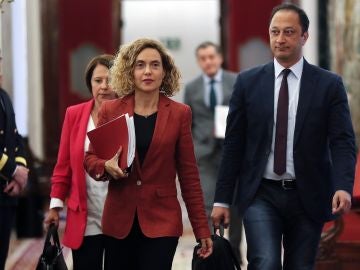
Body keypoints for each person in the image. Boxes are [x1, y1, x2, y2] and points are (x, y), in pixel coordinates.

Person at [211, 3, 356, 270]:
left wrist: (342, 186)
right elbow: (234, 144)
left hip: (308, 193)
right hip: (260, 193)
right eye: (274, 32)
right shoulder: (247, 83)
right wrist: (222, 199)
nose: (280, 39)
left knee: (300, 266)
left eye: (289, 32)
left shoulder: (328, 85)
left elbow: (342, 141)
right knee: (265, 262)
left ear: (304, 36)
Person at [84, 38, 213, 270]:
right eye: (140, 65)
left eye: (155, 65)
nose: (147, 71)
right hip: (119, 220)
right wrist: (105, 167)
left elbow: (189, 175)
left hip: (162, 220)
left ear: (165, 72)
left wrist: (201, 228)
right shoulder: (110, 110)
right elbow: (90, 159)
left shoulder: (179, 113)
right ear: (130, 71)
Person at [44, 54, 117, 270]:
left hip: (119, 215)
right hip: (85, 215)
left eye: (110, 80)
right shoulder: (74, 115)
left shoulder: (128, 114)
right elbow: (63, 165)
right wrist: (55, 207)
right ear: (90, 83)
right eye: (98, 80)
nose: (104, 86)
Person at [184, 41, 243, 263]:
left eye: (211, 57)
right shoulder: (192, 88)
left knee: (235, 207)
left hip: (232, 154)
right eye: (203, 58)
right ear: (199, 62)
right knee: (208, 205)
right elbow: (188, 124)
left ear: (219, 58)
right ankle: (212, 257)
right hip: (205, 157)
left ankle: (234, 255)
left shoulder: (236, 81)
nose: (208, 61)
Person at [0, 54, 29, 270]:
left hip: (6, 193)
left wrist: (21, 169)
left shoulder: (4, 96)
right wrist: (12, 171)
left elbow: (15, 137)